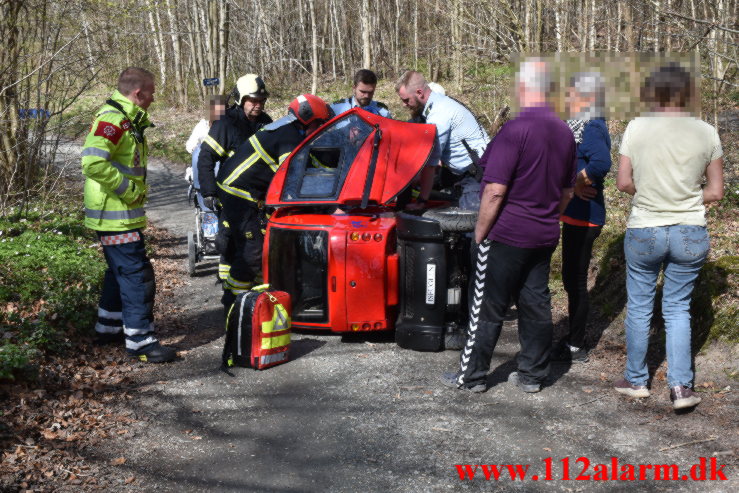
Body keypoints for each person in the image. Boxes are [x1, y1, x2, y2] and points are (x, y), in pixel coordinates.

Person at [440, 59, 576, 393]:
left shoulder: (515, 130)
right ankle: (532, 375)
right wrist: (547, 217)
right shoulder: (564, 132)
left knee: (485, 305)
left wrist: (481, 232)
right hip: (544, 234)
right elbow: (568, 192)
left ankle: (470, 376)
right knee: (535, 303)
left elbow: (495, 190)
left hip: (507, 234)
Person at [614, 64, 724, 411]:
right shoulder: (706, 132)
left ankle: (635, 380)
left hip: (645, 226)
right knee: (677, 308)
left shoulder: (637, 127)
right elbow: (717, 191)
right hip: (689, 229)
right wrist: (686, 199)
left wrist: (650, 195)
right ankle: (680, 389)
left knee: (640, 305)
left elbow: (623, 182)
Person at [81, 67, 176, 363]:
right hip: (114, 215)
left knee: (119, 273)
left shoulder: (126, 119)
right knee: (137, 277)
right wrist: (129, 190)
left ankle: (108, 329)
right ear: (138, 93)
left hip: (118, 215)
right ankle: (141, 342)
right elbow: (92, 162)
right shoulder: (114, 120)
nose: (153, 97)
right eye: (151, 92)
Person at [216, 94, 333, 310]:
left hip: (246, 192)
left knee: (261, 246)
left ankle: (257, 299)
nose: (320, 132)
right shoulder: (289, 138)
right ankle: (234, 305)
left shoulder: (288, 129)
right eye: (320, 125)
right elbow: (290, 181)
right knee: (253, 252)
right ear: (309, 120)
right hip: (238, 193)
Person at [554, 72, 612, 363]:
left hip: (587, 215)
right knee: (570, 279)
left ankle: (576, 344)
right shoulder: (579, 125)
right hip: (574, 215)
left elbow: (602, 162)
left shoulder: (591, 125)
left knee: (575, 281)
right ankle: (572, 338)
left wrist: (578, 184)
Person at [197, 74, 272, 281]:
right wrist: (209, 191)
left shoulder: (266, 123)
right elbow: (206, 157)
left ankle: (253, 288)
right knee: (230, 241)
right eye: (253, 100)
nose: (258, 105)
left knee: (257, 243)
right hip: (232, 196)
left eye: (261, 101)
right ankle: (230, 291)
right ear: (240, 99)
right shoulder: (226, 123)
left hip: (258, 196)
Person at [395, 70, 489, 211]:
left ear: (420, 92)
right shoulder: (439, 103)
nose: (404, 104)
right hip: (468, 172)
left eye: (406, 100)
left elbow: (431, 163)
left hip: (478, 176)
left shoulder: (439, 115)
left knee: (472, 228)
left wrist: (422, 200)